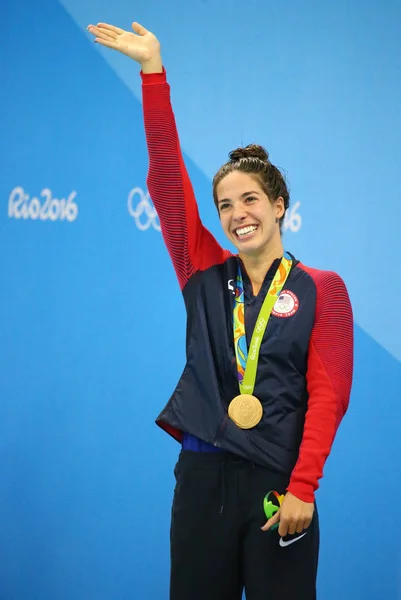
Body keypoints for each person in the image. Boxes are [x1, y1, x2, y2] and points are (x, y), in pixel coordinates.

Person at [87, 20, 354, 600]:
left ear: (280, 206)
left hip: (279, 484)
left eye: (251, 199)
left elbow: (329, 395)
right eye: (225, 204)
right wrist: (153, 72)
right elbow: (166, 179)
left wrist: (303, 488)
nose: (238, 214)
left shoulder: (322, 289)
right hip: (203, 477)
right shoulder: (204, 270)